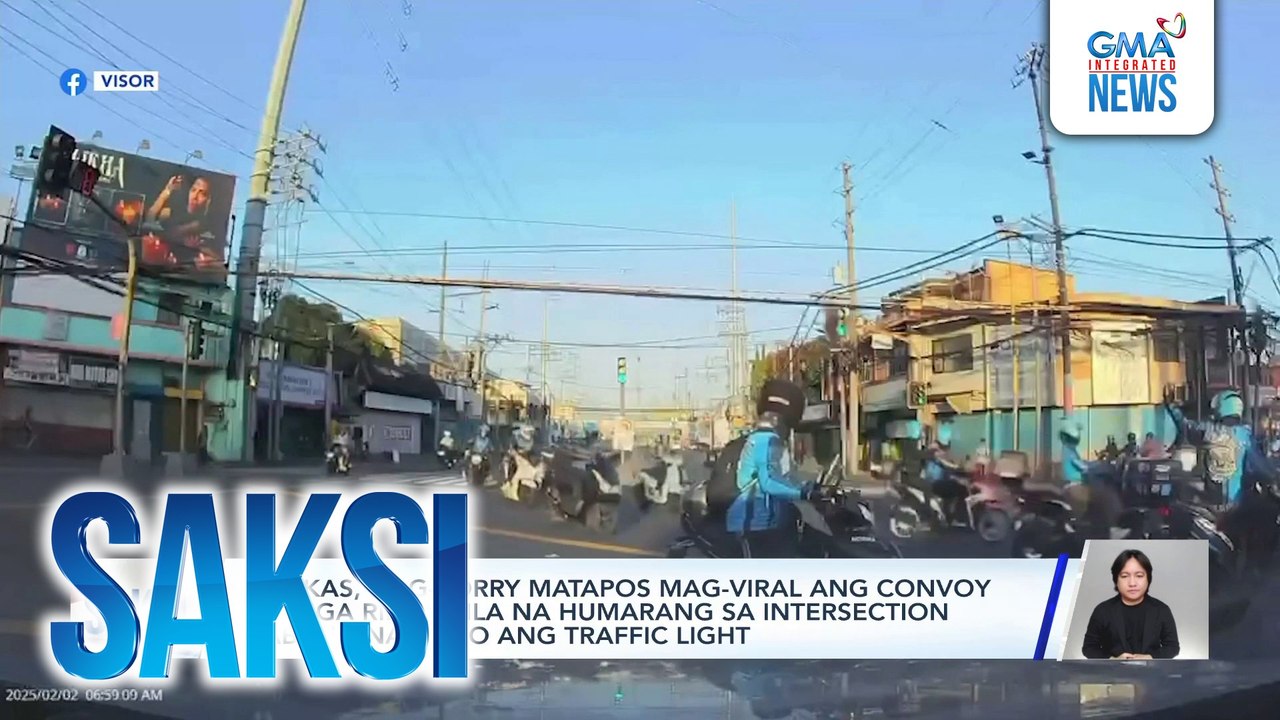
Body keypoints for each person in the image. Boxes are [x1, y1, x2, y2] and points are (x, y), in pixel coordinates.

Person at [726, 379, 823, 558]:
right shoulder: (766, 440)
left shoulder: (770, 440)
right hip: (754, 526)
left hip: (769, 525)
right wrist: (803, 493)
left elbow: (786, 477)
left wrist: (809, 486)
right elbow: (768, 481)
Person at [1081, 548, 1180, 659]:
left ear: (1148, 578)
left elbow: (1172, 647)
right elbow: (1089, 648)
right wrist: (1112, 660)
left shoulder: (1161, 610)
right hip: (1113, 673)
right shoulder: (1102, 610)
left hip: (1151, 672)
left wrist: (1151, 657)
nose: (1132, 583)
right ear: (1116, 579)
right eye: (1124, 576)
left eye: (1139, 576)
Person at [923, 423, 966, 523]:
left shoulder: (930, 459)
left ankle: (947, 513)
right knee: (960, 490)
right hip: (938, 484)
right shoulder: (937, 457)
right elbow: (947, 465)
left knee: (955, 487)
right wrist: (956, 467)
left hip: (933, 483)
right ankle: (952, 513)